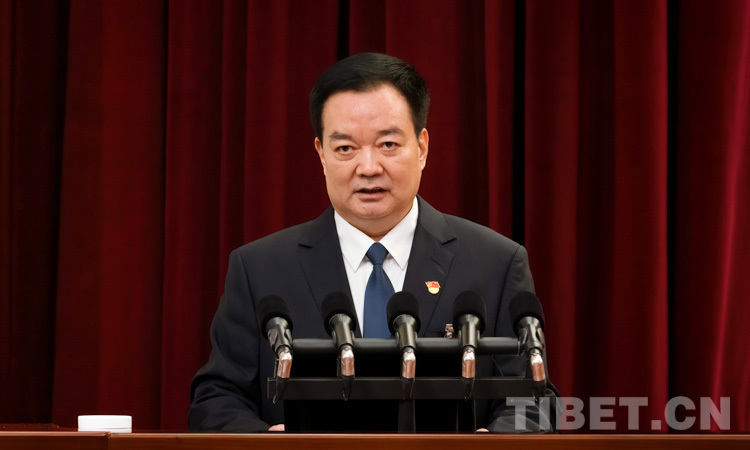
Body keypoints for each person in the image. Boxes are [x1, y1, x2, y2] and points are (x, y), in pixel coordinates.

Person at [189, 52, 540, 432]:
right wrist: (268, 443)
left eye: (388, 144)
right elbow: (216, 399)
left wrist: (493, 444)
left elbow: (535, 400)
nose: (369, 167)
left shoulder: (495, 262)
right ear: (321, 154)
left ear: (422, 147)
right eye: (345, 148)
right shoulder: (260, 269)